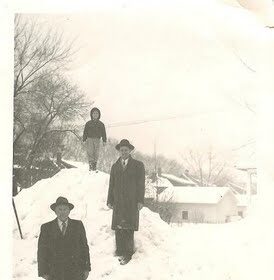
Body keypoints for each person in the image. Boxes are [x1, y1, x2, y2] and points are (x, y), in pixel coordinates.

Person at [107, 139, 145, 265]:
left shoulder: (138, 165)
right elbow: (111, 184)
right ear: (119, 151)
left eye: (126, 150)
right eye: (121, 150)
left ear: (130, 151)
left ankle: (128, 255)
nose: (123, 152)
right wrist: (110, 200)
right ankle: (119, 252)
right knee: (118, 228)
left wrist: (140, 201)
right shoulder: (115, 166)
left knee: (129, 227)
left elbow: (141, 185)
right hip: (118, 201)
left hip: (131, 201)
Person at [37, 197, 91, 280]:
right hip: (55, 273)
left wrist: (87, 268)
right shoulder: (46, 228)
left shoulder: (78, 225)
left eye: (65, 209)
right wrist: (43, 271)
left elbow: (84, 248)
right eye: (60, 209)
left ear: (69, 211)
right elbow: (42, 252)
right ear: (55, 211)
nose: (62, 212)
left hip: (76, 272)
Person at [83, 107, 107, 171]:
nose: (95, 114)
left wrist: (104, 141)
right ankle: (90, 164)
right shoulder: (88, 123)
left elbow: (104, 133)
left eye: (97, 113)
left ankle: (94, 164)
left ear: (99, 115)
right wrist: (84, 139)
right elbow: (85, 132)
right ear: (91, 114)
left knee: (96, 152)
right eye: (94, 113)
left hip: (97, 139)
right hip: (89, 139)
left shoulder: (101, 124)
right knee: (90, 151)